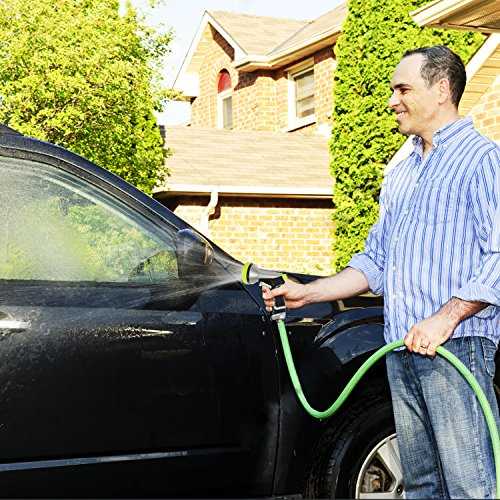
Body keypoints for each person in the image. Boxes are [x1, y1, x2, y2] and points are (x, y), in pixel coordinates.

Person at [263, 45, 500, 499]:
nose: (393, 100)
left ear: (442, 90)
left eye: (403, 89)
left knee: (470, 488)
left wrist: (445, 318)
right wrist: (309, 293)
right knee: (422, 486)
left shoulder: (483, 161)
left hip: (458, 349)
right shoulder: (402, 171)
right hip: (401, 348)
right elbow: (376, 262)